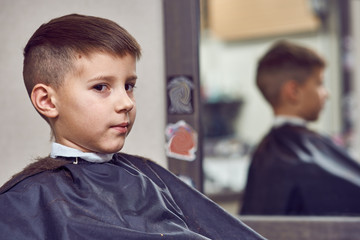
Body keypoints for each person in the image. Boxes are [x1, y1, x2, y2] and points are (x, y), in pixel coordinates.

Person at [0, 14, 264, 240]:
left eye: (129, 86)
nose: (126, 102)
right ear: (47, 100)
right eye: (101, 87)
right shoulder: (21, 204)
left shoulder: (151, 178)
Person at [240, 40, 360, 216]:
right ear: (293, 92)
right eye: (319, 83)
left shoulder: (266, 152)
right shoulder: (280, 155)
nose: (327, 94)